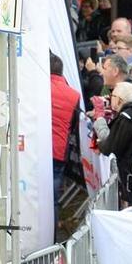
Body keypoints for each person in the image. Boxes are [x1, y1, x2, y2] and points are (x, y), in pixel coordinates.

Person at [93, 81, 132, 207]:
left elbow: (111, 147)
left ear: (119, 100)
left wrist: (100, 142)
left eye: (113, 96)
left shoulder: (127, 117)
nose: (110, 99)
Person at [48, 53, 80, 202]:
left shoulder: (35, 89)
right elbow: (74, 125)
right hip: (59, 149)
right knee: (52, 197)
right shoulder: (74, 94)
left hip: (34, 148)